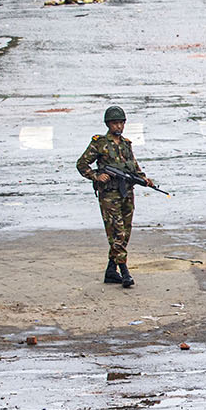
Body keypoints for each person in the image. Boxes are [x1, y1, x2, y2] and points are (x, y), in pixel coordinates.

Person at [76, 105, 157, 287]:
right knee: (117, 233)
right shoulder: (100, 144)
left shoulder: (126, 144)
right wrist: (96, 176)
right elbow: (81, 164)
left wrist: (144, 179)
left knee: (125, 232)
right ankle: (125, 272)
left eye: (121, 123)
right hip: (109, 195)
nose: (118, 127)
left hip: (126, 193)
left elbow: (133, 167)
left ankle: (111, 271)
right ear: (108, 124)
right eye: (115, 123)